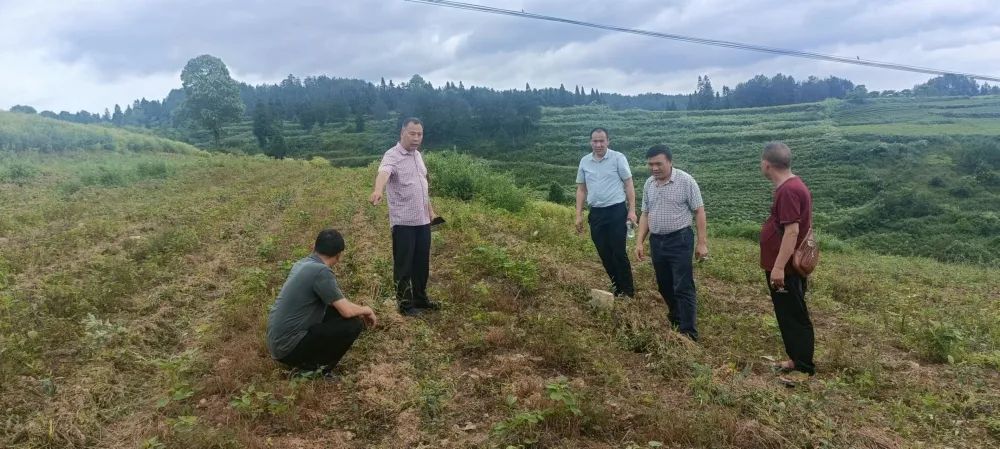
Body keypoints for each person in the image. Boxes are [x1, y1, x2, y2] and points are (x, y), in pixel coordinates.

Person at [266, 229, 377, 373]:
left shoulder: (302, 264)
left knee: (335, 310)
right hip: (288, 349)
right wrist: (367, 309)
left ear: (315, 247)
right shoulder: (321, 272)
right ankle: (316, 369)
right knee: (353, 324)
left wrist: (359, 310)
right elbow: (347, 311)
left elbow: (340, 303)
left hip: (277, 343)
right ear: (338, 255)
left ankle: (308, 359)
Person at [635, 145, 708, 341]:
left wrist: (702, 243)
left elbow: (699, 211)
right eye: (650, 164)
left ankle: (688, 334)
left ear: (670, 162)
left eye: (658, 163)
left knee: (682, 285)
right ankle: (676, 319)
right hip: (657, 242)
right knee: (664, 285)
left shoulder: (685, 181)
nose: (654, 168)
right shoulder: (649, 184)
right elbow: (645, 213)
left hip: (680, 239)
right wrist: (640, 241)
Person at [370, 117, 439, 316]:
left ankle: (420, 298)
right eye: (412, 133)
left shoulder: (417, 156)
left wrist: (431, 211)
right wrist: (378, 190)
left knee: (421, 263)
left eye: (420, 134)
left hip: (423, 221)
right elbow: (383, 172)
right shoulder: (392, 155)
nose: (416, 138)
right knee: (404, 265)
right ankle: (405, 305)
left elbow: (422, 187)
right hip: (404, 223)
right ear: (402, 133)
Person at [758, 141, 815, 379]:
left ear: (767, 164)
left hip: (786, 268)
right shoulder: (792, 185)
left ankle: (803, 366)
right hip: (785, 266)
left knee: (793, 315)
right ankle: (796, 359)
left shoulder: (788, 190)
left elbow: (791, 231)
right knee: (789, 313)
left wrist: (779, 267)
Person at [574, 127, 637, 298]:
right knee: (604, 252)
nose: (598, 144)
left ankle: (628, 292)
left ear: (608, 141)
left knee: (618, 251)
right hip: (596, 214)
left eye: (602, 141)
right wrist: (579, 214)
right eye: (595, 141)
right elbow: (581, 189)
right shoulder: (585, 161)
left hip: (616, 211)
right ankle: (617, 287)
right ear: (590, 142)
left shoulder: (618, 158)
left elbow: (629, 184)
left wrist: (632, 210)